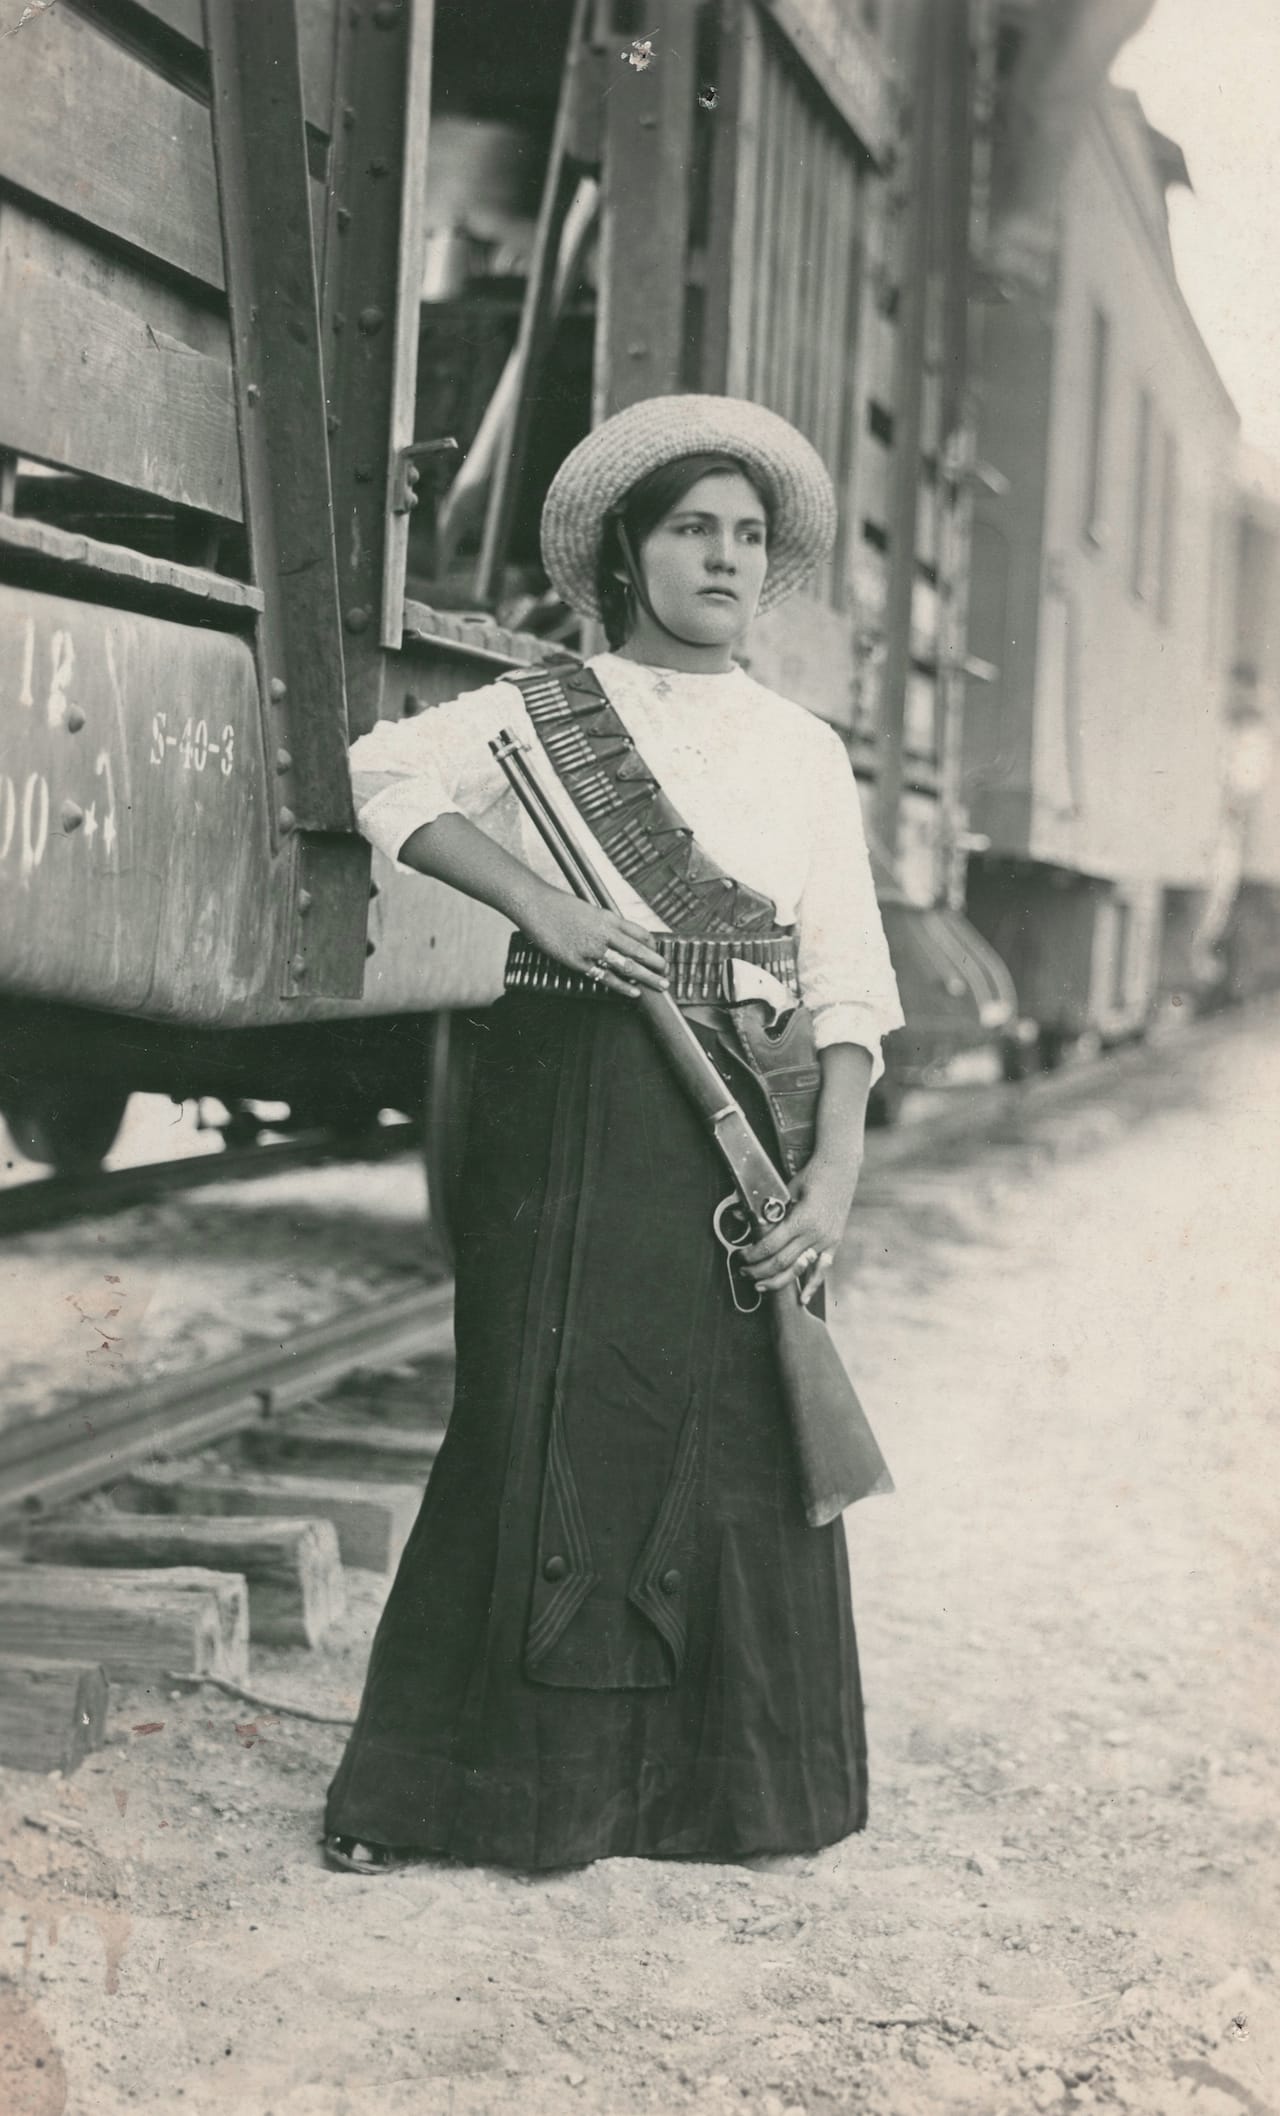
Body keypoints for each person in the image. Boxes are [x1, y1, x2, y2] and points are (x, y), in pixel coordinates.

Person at [323, 394, 903, 1874]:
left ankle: (722, 1798)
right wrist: (543, 904)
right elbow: (371, 770)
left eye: (748, 535)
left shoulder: (802, 750)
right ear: (628, 556)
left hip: (742, 1120)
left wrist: (833, 1172)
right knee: (534, 1415)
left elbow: (845, 978)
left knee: (734, 1435)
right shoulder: (536, 712)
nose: (723, 558)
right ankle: (473, 1795)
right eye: (692, 529)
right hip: (567, 1094)